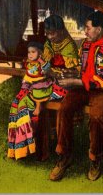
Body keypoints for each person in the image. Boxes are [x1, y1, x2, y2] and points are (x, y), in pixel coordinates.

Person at [49, 11, 103, 181]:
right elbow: (82, 68)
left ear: (99, 29)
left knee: (97, 116)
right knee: (64, 108)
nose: (85, 31)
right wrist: (69, 72)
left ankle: (96, 159)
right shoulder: (86, 46)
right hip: (84, 87)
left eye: (88, 28)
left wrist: (76, 81)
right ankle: (64, 155)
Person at [7, 41, 68, 160]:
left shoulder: (42, 63)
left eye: (33, 52)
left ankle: (38, 106)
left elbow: (47, 71)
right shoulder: (29, 64)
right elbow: (28, 77)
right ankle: (21, 145)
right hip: (33, 86)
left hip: (44, 85)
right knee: (17, 103)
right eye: (29, 52)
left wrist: (42, 63)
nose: (30, 54)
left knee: (38, 91)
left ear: (39, 53)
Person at [35, 14, 80, 161]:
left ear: (61, 31)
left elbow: (71, 72)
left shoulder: (69, 46)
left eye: (52, 33)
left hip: (67, 84)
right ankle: (40, 149)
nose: (49, 36)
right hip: (52, 81)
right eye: (47, 33)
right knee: (36, 101)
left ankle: (59, 150)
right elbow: (46, 64)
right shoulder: (49, 44)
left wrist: (53, 71)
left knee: (43, 100)